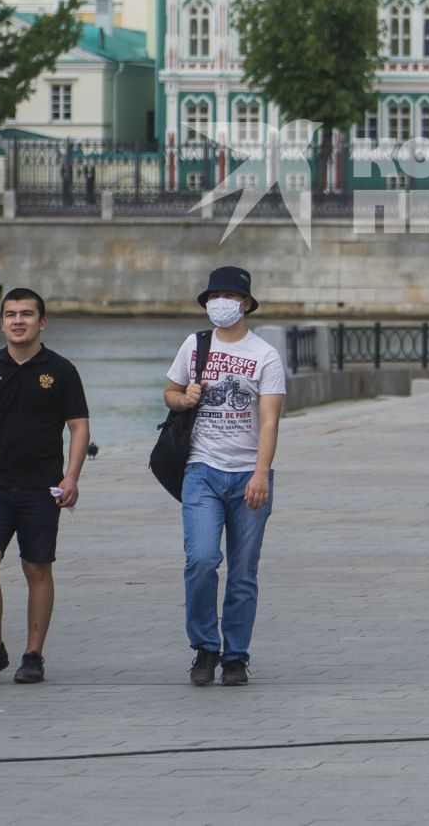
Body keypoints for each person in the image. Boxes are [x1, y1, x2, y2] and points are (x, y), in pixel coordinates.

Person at [0, 288, 89, 686]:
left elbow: (78, 426)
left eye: (26, 314)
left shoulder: (60, 370)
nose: (18, 321)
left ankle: (33, 654)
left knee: (35, 566)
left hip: (42, 488)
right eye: (10, 314)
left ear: (42, 322)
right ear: (2, 322)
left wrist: (71, 476)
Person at [163, 266, 286, 687]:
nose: (220, 303)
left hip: (248, 475)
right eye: (213, 295)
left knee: (242, 572)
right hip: (201, 471)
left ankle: (235, 655)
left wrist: (261, 474)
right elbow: (169, 392)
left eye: (229, 296)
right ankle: (204, 647)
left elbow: (269, 421)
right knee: (200, 561)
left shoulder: (265, 355)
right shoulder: (194, 345)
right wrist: (184, 398)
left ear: (246, 303)